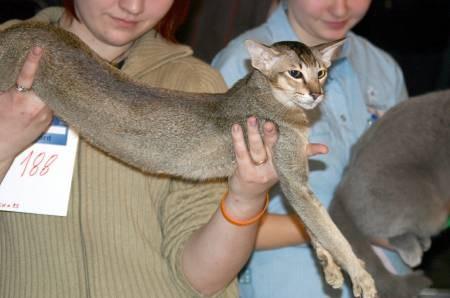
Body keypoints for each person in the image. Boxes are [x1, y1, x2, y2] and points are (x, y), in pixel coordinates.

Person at [0, 0, 316, 296]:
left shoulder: (195, 85)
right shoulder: (7, 52)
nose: (133, 6)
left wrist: (246, 199)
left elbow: (203, 280)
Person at [212, 0, 411, 297]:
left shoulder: (382, 68)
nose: (340, 9)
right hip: (289, 284)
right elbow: (210, 220)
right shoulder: (238, 65)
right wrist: (349, 228)